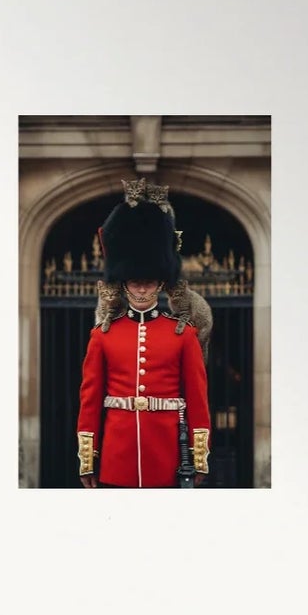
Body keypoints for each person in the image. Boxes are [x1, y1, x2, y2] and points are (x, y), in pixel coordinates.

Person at [76, 181, 211, 488]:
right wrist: (88, 459)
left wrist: (198, 456)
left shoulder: (183, 335)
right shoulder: (103, 336)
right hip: (115, 459)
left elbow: (197, 400)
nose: (141, 288)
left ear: (161, 283)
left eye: (148, 281)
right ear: (123, 283)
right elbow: (91, 401)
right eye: (134, 281)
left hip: (168, 458)